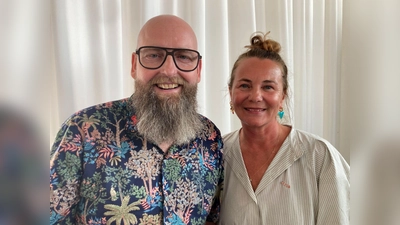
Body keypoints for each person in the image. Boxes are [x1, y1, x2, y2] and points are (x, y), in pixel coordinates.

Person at [50, 15, 223, 225]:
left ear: (198, 70)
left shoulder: (210, 139)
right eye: (154, 55)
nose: (169, 70)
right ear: (134, 65)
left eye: (184, 57)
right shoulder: (83, 131)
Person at [219, 32, 349, 224]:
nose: (255, 96)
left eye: (268, 87)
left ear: (283, 96)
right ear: (231, 92)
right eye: (245, 85)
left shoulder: (320, 157)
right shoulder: (215, 155)